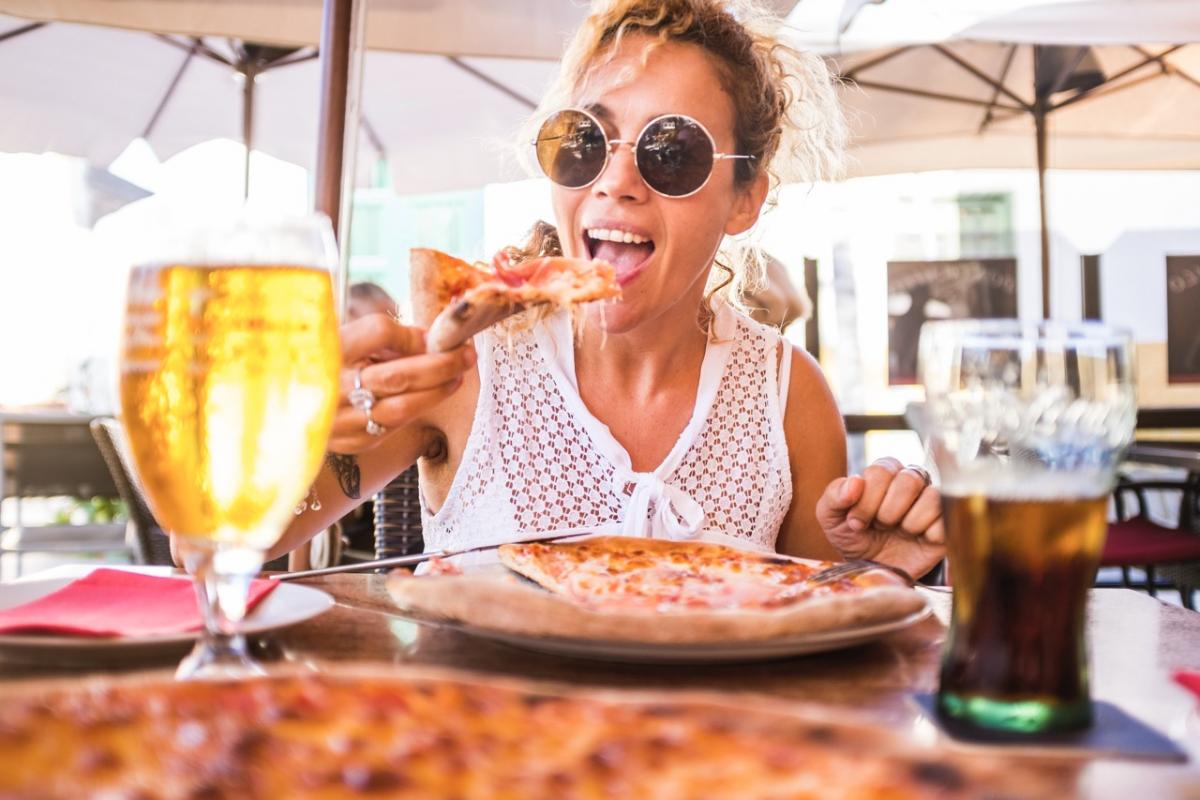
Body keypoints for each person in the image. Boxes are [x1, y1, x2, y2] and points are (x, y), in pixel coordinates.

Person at [280, 0, 944, 579]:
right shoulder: (465, 364)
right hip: (478, 723)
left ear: (745, 200)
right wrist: (302, 431)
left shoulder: (788, 398)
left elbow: (816, 629)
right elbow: (221, 545)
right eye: (584, 141)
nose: (616, 181)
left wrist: (874, 570)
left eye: (672, 150)